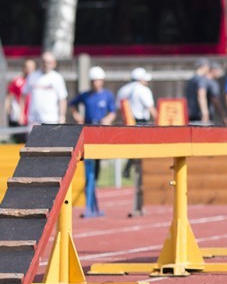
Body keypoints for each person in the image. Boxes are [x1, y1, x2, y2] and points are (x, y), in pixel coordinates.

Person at [70, 66, 116, 218]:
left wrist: (107, 120)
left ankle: (92, 196)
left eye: (98, 80)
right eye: (93, 80)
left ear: (102, 81)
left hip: (101, 133)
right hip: (88, 132)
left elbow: (113, 112)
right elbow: (72, 104)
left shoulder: (107, 95)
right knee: (88, 165)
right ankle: (90, 199)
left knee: (96, 169)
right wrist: (77, 116)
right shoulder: (86, 95)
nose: (96, 83)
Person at [116, 67, 158, 216]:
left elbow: (118, 109)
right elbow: (151, 108)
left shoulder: (123, 90)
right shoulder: (143, 90)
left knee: (137, 159)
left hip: (127, 124)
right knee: (142, 162)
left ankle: (129, 164)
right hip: (141, 123)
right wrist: (161, 124)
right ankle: (130, 165)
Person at [23, 51, 68, 126]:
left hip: (51, 119)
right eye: (44, 62)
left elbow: (62, 98)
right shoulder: (32, 76)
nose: (45, 64)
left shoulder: (57, 78)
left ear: (54, 63)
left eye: (48, 62)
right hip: (34, 119)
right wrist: (22, 113)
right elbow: (23, 94)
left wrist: (62, 116)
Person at [5, 58, 37, 143]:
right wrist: (7, 109)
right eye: (26, 67)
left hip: (34, 115)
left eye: (31, 68)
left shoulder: (38, 81)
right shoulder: (17, 81)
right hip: (20, 114)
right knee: (20, 139)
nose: (28, 70)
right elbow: (9, 96)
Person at [185, 58, 214, 124]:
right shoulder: (201, 80)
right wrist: (205, 113)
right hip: (199, 116)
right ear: (204, 66)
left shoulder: (191, 80)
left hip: (190, 114)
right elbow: (201, 96)